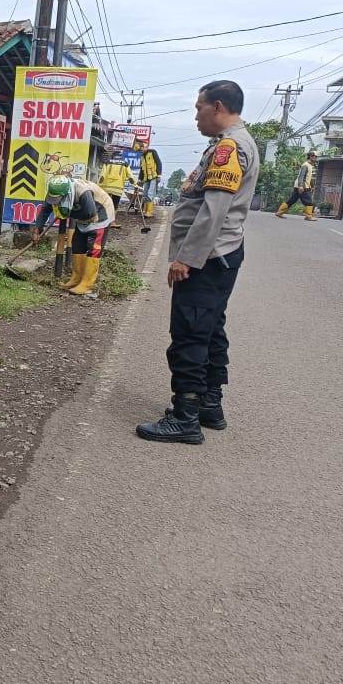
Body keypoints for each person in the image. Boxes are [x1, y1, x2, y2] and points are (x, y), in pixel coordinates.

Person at [136, 80, 260, 444]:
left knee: (190, 333)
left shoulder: (229, 147)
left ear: (218, 106)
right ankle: (209, 405)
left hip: (207, 256)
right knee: (210, 329)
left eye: (199, 108)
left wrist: (186, 259)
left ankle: (185, 417)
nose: (195, 116)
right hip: (221, 254)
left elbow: (213, 210)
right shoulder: (231, 143)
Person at [30, 174, 115, 295]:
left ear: (67, 193)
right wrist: (38, 228)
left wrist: (66, 213)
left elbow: (90, 213)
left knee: (93, 248)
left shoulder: (83, 192)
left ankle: (87, 283)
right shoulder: (54, 192)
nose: (56, 201)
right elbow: (45, 209)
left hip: (100, 214)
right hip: (82, 218)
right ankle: (76, 278)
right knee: (77, 245)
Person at [275, 151, 318, 221]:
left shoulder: (309, 165)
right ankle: (308, 216)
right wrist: (301, 186)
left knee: (292, 200)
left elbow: (308, 178)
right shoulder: (305, 165)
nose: (316, 158)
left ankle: (279, 212)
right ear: (311, 156)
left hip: (300, 186)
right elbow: (301, 176)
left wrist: (311, 186)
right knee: (308, 201)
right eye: (315, 157)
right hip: (302, 186)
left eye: (316, 157)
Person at [98, 153, 138, 229]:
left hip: (106, 187)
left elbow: (102, 175)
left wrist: (98, 185)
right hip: (117, 188)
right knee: (115, 205)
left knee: (104, 204)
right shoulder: (125, 164)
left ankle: (101, 221)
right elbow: (130, 176)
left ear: (112, 156)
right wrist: (135, 185)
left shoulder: (107, 162)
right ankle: (112, 222)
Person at [136, 137, 163, 218]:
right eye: (139, 151)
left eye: (141, 149)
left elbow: (159, 163)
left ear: (144, 147)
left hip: (154, 177)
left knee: (150, 193)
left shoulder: (152, 152)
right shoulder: (142, 157)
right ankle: (145, 211)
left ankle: (149, 212)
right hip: (146, 178)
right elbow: (142, 169)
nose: (141, 151)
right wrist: (139, 179)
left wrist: (159, 175)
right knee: (145, 194)